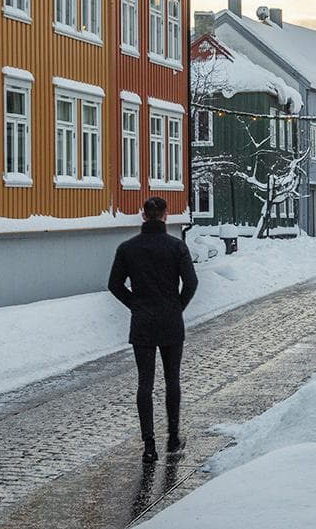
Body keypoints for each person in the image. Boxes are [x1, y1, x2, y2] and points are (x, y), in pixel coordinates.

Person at [107, 196, 199, 464]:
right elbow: (191, 283)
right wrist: (177, 306)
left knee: (144, 383)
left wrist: (135, 304)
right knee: (172, 380)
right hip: (171, 320)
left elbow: (114, 284)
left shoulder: (127, 248)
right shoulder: (176, 246)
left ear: (143, 215)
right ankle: (173, 436)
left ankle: (149, 445)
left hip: (143, 322)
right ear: (166, 216)